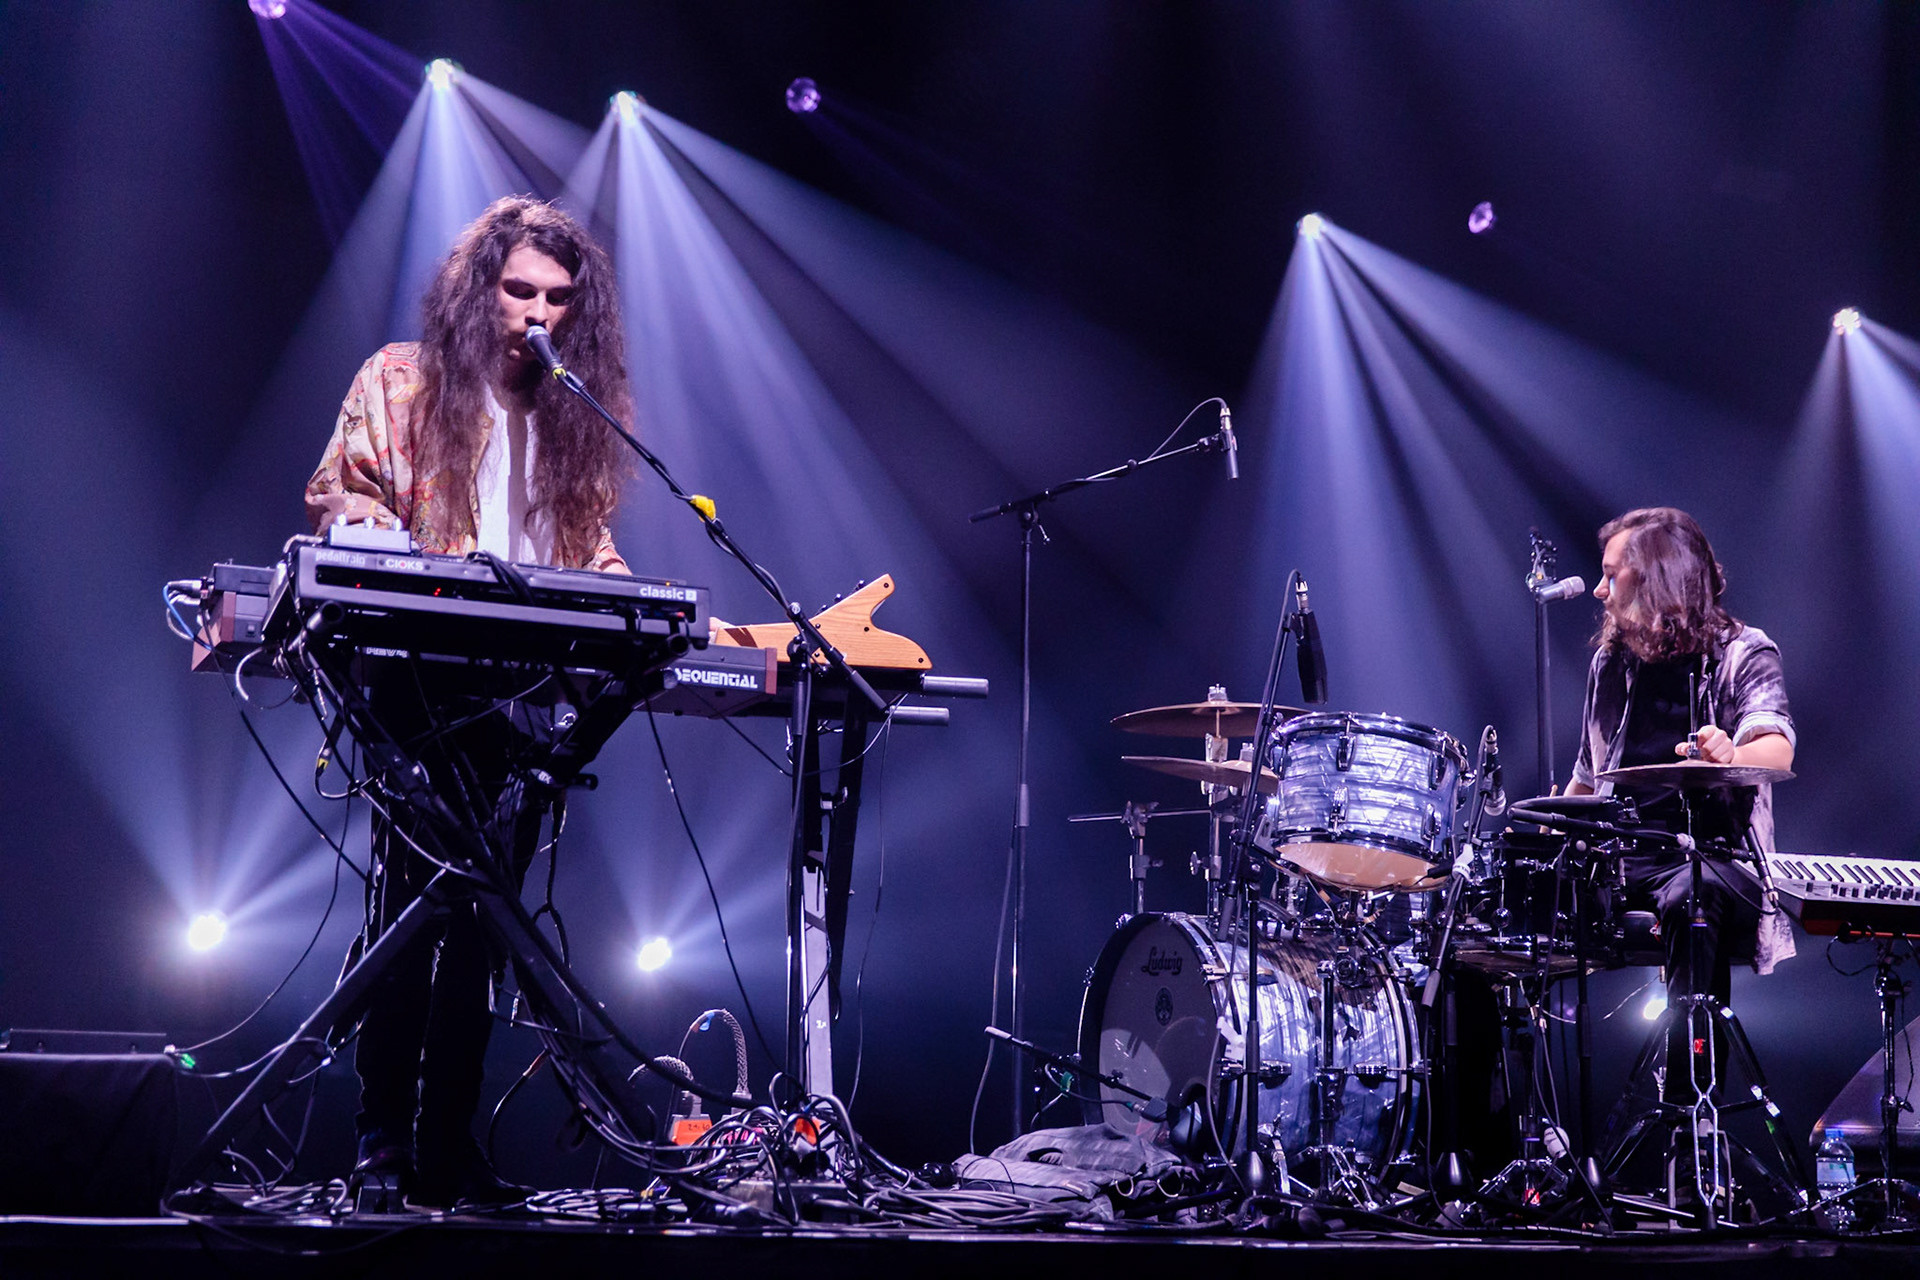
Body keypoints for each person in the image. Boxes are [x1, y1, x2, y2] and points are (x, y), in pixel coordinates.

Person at [304, 195, 635, 1207]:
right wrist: (370, 522)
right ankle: (380, 1143)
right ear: (478, 287)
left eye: (557, 297)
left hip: (519, 688)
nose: (538, 312)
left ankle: (447, 1142)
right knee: (409, 902)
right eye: (519, 289)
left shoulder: (577, 409)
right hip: (414, 673)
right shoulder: (402, 379)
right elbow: (340, 495)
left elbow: (590, 549)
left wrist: (635, 597)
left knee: (486, 925)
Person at [1566, 507, 1795, 1099]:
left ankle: (1690, 1113)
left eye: (1612, 575)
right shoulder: (1609, 664)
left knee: (1693, 894)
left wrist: (1729, 752)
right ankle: (1527, 1139)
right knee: (1501, 911)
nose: (1598, 589)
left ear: (1656, 580)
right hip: (1619, 858)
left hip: (1715, 860)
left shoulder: (1743, 652)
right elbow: (1589, 778)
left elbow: (1775, 747)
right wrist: (1537, 835)